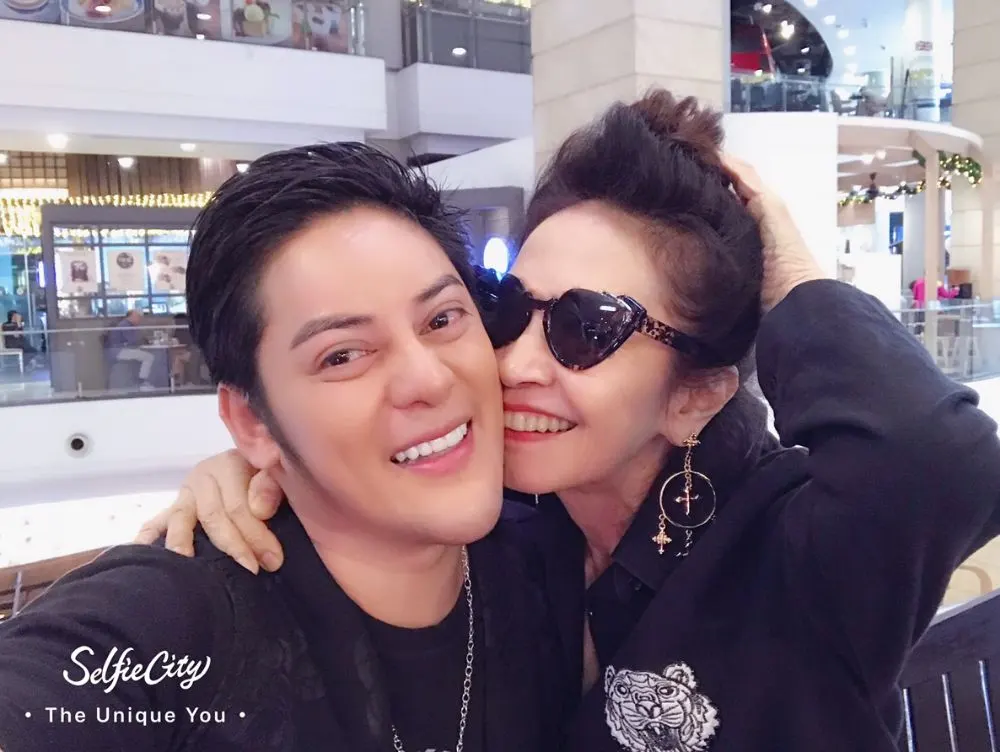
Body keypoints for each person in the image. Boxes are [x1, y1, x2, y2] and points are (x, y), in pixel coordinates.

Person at [144, 90, 1000, 751]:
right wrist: (265, 464)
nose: (516, 362)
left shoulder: (797, 548)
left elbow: (940, 457)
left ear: (696, 395)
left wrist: (795, 276)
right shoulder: (511, 529)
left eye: (586, 328)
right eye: (510, 308)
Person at [0, 144, 569, 752]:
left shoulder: (554, 562)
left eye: (441, 319)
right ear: (253, 422)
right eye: (342, 355)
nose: (429, 379)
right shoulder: (182, 621)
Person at [107, 307, 155, 388]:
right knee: (149, 357)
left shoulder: (126, 324)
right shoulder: (125, 325)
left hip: (120, 350)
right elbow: (133, 341)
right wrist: (143, 341)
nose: (140, 320)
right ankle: (142, 381)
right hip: (119, 352)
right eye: (139, 318)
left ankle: (139, 381)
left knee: (143, 355)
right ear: (134, 316)